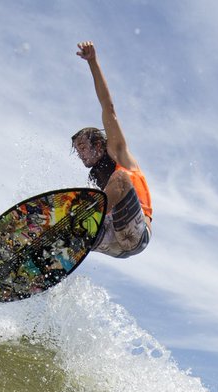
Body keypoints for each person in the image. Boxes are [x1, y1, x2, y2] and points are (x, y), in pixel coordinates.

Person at [72, 41, 153, 258]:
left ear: (98, 144)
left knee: (119, 179)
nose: (80, 154)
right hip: (113, 243)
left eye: (82, 147)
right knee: (74, 205)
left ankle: (82, 223)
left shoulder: (118, 152)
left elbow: (107, 105)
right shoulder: (95, 176)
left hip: (136, 233)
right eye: (77, 151)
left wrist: (92, 62)